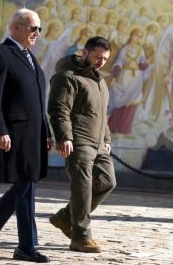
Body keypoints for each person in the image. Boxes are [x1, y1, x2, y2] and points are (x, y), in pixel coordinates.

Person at [0, 8, 51, 263]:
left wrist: (45, 131)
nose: (37, 33)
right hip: (14, 133)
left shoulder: (29, 56)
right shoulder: (0, 55)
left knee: (25, 185)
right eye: (32, 28)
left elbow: (37, 99)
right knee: (26, 184)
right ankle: (26, 246)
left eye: (39, 28)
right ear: (16, 28)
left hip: (33, 134)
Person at [48, 36, 116, 253]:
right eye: (97, 57)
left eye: (105, 59)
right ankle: (81, 236)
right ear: (84, 52)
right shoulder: (67, 76)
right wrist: (64, 137)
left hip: (98, 144)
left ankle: (65, 217)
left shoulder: (100, 81)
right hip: (78, 142)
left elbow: (102, 115)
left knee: (107, 182)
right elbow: (59, 110)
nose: (101, 62)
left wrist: (106, 139)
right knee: (82, 188)